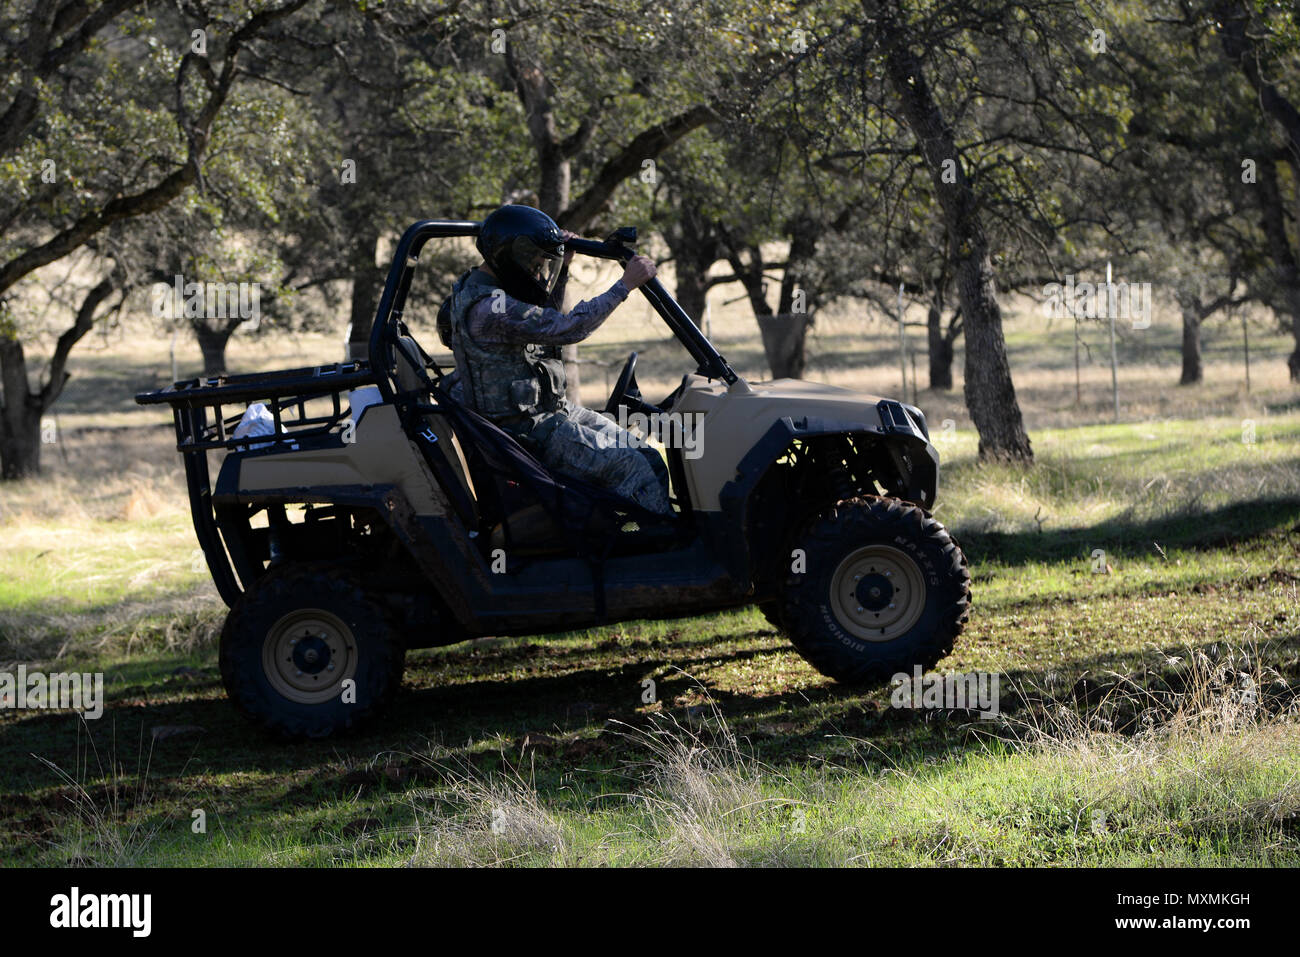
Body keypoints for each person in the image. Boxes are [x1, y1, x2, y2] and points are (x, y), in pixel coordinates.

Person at [441, 204, 672, 515]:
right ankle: (657, 548)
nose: (538, 271)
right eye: (534, 262)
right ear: (511, 256)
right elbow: (566, 328)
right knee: (632, 468)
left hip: (549, 415)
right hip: (526, 432)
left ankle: (653, 536)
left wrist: (561, 268)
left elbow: (541, 320)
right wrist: (625, 285)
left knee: (647, 455)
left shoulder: (487, 291)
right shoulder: (489, 308)